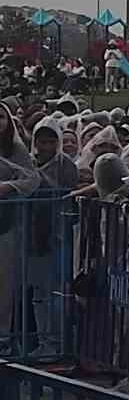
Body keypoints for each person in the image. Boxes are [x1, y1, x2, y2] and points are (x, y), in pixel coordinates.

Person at [0, 101, 41, 354]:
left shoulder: (16, 149)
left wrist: (7, 187)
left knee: (4, 284)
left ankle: (3, 337)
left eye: (1, 117)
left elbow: (31, 178)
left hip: (6, 223)